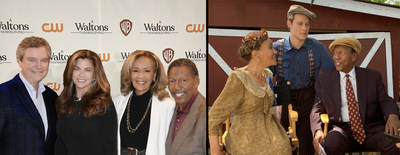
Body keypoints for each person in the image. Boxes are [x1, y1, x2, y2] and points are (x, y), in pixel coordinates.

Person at [310, 37, 400, 154]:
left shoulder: (372, 76)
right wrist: (317, 130)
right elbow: (316, 110)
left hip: (370, 129)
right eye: (335, 53)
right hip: (341, 130)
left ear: (353, 56)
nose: (335, 57)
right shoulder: (325, 80)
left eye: (341, 53)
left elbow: (385, 100)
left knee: (396, 145)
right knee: (331, 142)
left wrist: (393, 115)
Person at [209, 29, 291, 155]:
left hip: (271, 132)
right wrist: (215, 150)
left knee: (282, 147)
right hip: (245, 138)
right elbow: (214, 115)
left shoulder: (267, 74)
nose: (275, 51)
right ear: (256, 54)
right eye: (270, 47)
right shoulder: (239, 78)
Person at [268, 4, 335, 155]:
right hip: (284, 98)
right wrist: (271, 97)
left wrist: (327, 101)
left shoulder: (316, 47)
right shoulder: (276, 48)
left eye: (307, 24)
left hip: (309, 98)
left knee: (307, 143)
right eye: (299, 24)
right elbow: (266, 76)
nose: (304, 28)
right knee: (285, 144)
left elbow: (331, 75)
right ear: (289, 24)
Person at [0, 36, 57, 154]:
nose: (39, 66)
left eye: (44, 60)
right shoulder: (3, 93)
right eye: (32, 60)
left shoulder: (51, 97)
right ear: (19, 61)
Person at [55, 49, 118, 155]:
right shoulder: (64, 102)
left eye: (87, 70)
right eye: (77, 69)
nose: (81, 74)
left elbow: (110, 147)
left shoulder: (103, 105)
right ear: (71, 72)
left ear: (95, 74)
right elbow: (60, 144)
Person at [113, 50, 175, 155]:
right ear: (129, 73)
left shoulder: (168, 105)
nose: (141, 76)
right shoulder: (118, 101)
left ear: (154, 75)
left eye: (147, 71)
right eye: (136, 70)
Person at [165, 58, 206, 155]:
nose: (176, 87)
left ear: (196, 81)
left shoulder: (204, 113)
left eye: (183, 80)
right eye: (172, 81)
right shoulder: (171, 110)